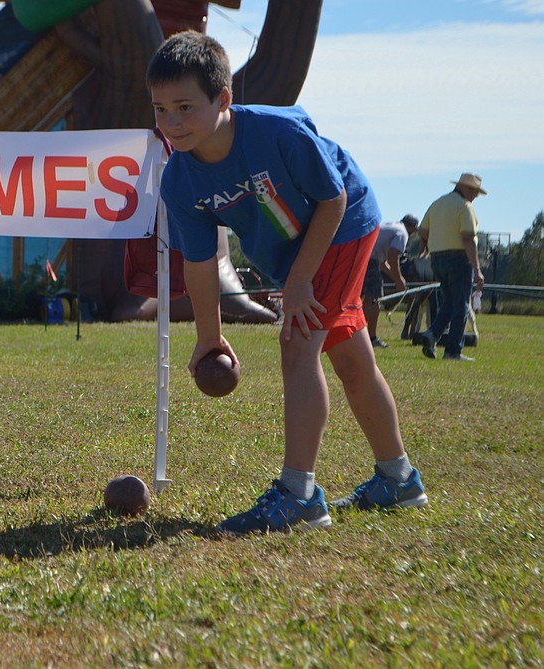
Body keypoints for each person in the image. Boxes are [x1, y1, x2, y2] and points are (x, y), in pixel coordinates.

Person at [146, 31, 427, 535]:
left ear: (223, 100)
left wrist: (299, 282)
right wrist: (208, 337)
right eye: (162, 109)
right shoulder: (180, 180)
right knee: (351, 359)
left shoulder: (277, 133)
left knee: (297, 345)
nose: (172, 123)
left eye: (185, 107)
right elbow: (200, 261)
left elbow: (334, 198)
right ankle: (399, 479)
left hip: (343, 223)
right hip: (302, 245)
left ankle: (299, 495)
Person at [418, 173, 486, 362]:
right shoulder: (465, 207)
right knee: (461, 306)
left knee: (448, 303)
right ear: (468, 189)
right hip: (458, 259)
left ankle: (432, 334)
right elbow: (468, 239)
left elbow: (422, 231)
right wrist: (477, 270)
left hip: (437, 259)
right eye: (475, 192)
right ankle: (453, 351)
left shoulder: (437, 203)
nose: (475, 196)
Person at [363, 218, 414, 348]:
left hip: (360, 256)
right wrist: (399, 280)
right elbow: (392, 256)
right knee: (373, 299)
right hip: (370, 260)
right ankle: (371, 338)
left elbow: (383, 263)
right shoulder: (403, 233)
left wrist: (397, 278)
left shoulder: (389, 226)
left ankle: (356, 335)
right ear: (412, 227)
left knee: (357, 300)